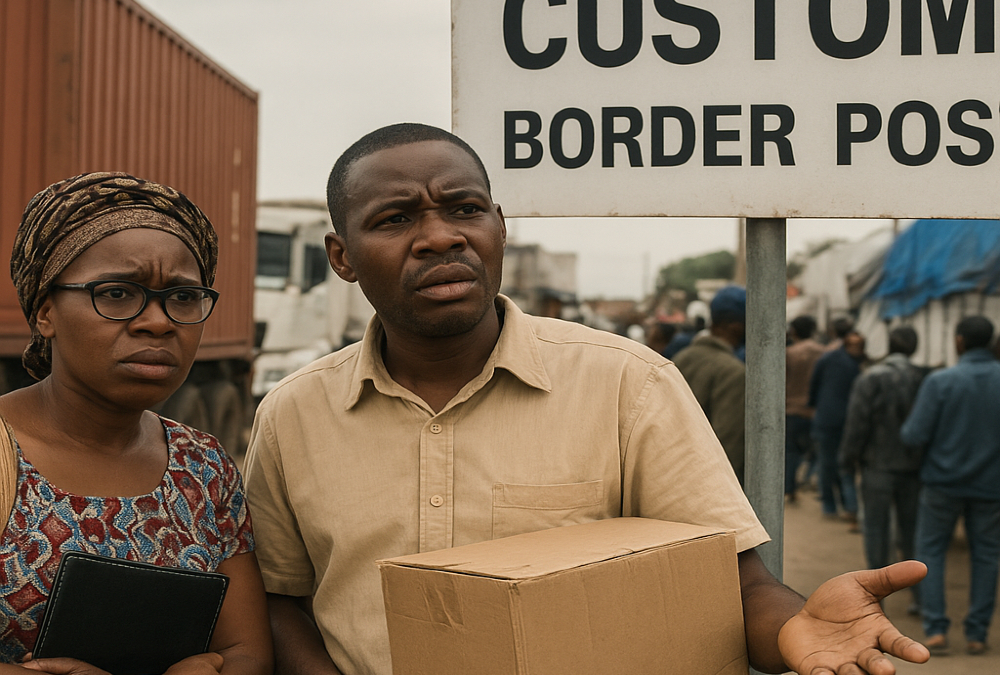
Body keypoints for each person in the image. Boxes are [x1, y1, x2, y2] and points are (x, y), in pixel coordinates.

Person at [243, 123, 929, 675]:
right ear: (342, 255)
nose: (441, 235)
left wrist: (796, 625)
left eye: (464, 208)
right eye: (395, 218)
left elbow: (733, 585)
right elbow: (280, 599)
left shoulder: (630, 384)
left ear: (498, 226)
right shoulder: (292, 414)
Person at [0, 173, 272, 674]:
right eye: (118, 293)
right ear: (45, 312)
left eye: (184, 297)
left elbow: (247, 651)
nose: (159, 321)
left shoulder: (204, 468)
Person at [901, 315, 1000, 656]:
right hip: (991, 486)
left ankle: (937, 629)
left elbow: (914, 434)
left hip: (941, 483)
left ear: (958, 341)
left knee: (931, 552)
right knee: (987, 555)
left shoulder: (940, 381)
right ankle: (977, 633)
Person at [839, 326, 925, 610]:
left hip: (876, 465)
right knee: (912, 530)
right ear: (913, 347)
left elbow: (857, 423)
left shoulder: (870, 377)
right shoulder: (924, 379)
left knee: (876, 530)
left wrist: (848, 457)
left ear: (889, 345)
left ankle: (876, 596)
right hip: (913, 469)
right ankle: (919, 596)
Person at [672, 285, 747, 484]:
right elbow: (726, 450)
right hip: (705, 488)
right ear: (736, 326)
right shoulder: (734, 372)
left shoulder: (681, 358)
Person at [809, 330, 865, 528]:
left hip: (825, 418)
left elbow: (814, 385)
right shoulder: (857, 365)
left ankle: (831, 506)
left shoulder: (828, 359)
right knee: (843, 466)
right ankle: (847, 506)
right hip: (845, 422)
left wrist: (814, 406)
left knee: (827, 463)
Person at [784, 315, 825, 502]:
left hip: (792, 409)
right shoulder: (823, 352)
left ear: (794, 331)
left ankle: (790, 489)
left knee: (791, 452)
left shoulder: (789, 353)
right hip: (815, 411)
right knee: (817, 452)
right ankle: (812, 480)